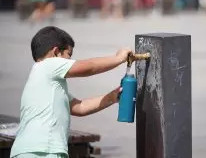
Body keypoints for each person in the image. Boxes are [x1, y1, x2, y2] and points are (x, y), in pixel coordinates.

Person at [10, 26, 132, 158]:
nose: (70, 61)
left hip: (30, 150)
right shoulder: (48, 65)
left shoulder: (46, 82)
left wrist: (112, 97)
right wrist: (118, 58)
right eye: (69, 55)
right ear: (56, 52)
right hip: (43, 150)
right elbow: (88, 67)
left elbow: (80, 107)